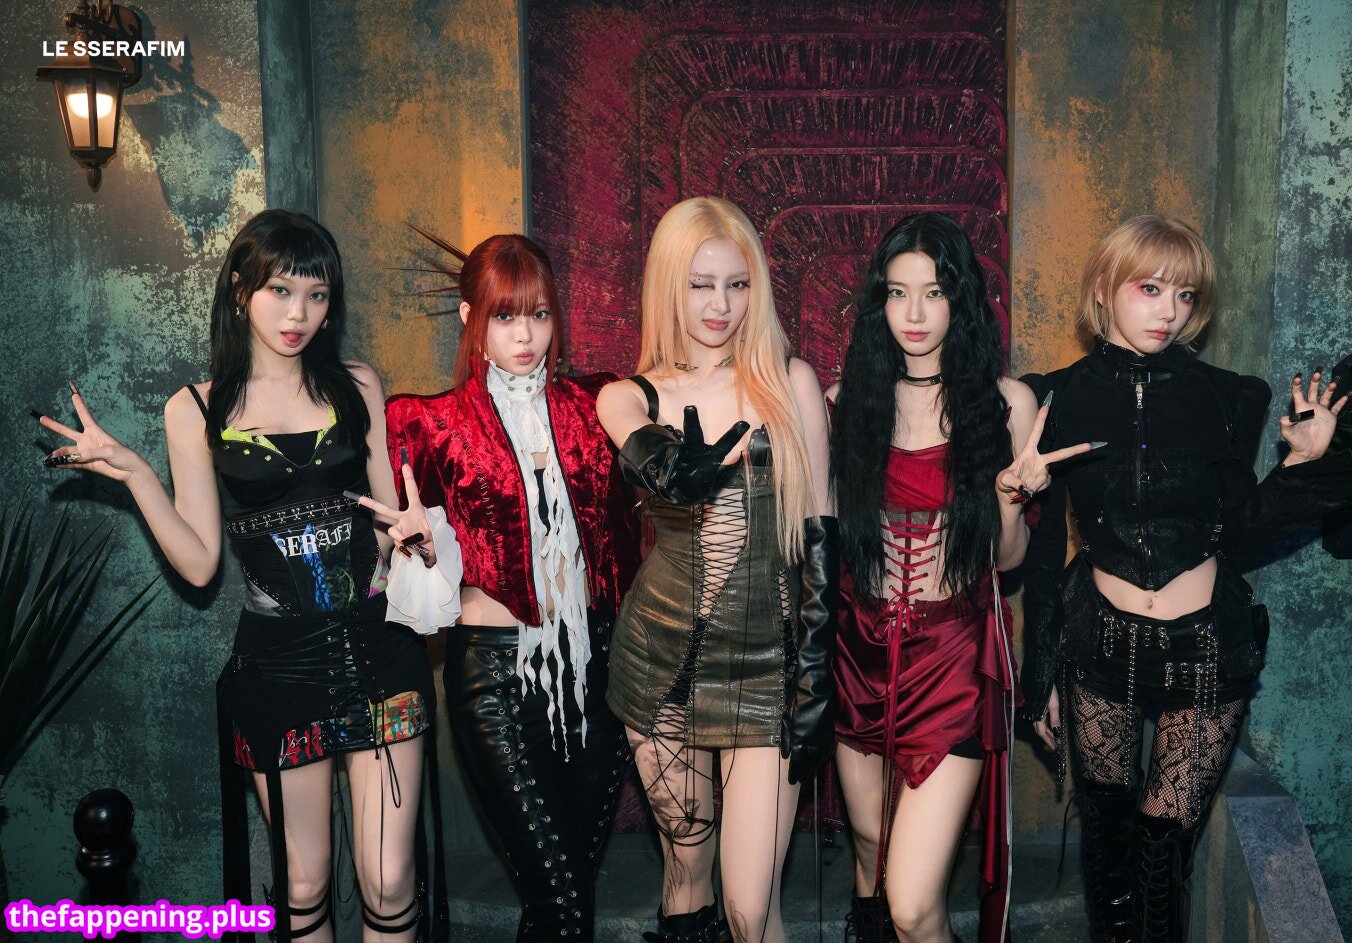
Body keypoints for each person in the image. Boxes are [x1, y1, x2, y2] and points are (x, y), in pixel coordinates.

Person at [37, 209, 436, 943]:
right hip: (277, 668)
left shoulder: (358, 385)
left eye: (316, 295)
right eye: (280, 290)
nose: (298, 314)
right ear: (240, 289)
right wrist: (135, 473)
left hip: (380, 650)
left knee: (387, 880)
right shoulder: (195, 407)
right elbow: (199, 565)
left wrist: (414, 536)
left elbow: (390, 522)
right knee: (305, 885)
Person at [1019, 216, 1352, 943]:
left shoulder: (1230, 396)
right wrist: (1041, 672)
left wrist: (1301, 466)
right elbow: (1042, 552)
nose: (1169, 311)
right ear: (1104, 288)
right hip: (1100, 647)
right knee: (1109, 849)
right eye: (1150, 288)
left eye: (1184, 295)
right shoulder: (1054, 400)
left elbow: (1241, 533)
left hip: (1206, 650)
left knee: (1163, 856)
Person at [828, 213, 1086, 943]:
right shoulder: (847, 401)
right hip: (858, 653)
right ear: (878, 302)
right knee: (871, 855)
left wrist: (1008, 496)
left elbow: (1007, 563)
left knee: (913, 903)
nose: (914, 312)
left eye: (934, 292)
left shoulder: (1007, 404)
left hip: (951, 662)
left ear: (960, 300)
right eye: (898, 292)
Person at [382, 232, 639, 942]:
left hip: (598, 670)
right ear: (472, 317)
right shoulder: (428, 424)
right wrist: (416, 547)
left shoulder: (599, 403)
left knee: (565, 899)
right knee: (561, 899)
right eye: (504, 316)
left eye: (539, 315)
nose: (525, 336)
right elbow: (407, 576)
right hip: (493, 677)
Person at [596, 196, 833, 943]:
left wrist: (815, 675)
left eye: (737, 284)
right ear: (669, 284)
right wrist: (672, 465)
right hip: (661, 659)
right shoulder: (631, 394)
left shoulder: (792, 382)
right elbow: (629, 428)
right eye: (701, 284)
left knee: (749, 908)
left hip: (767, 668)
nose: (720, 304)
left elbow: (818, 536)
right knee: (686, 871)